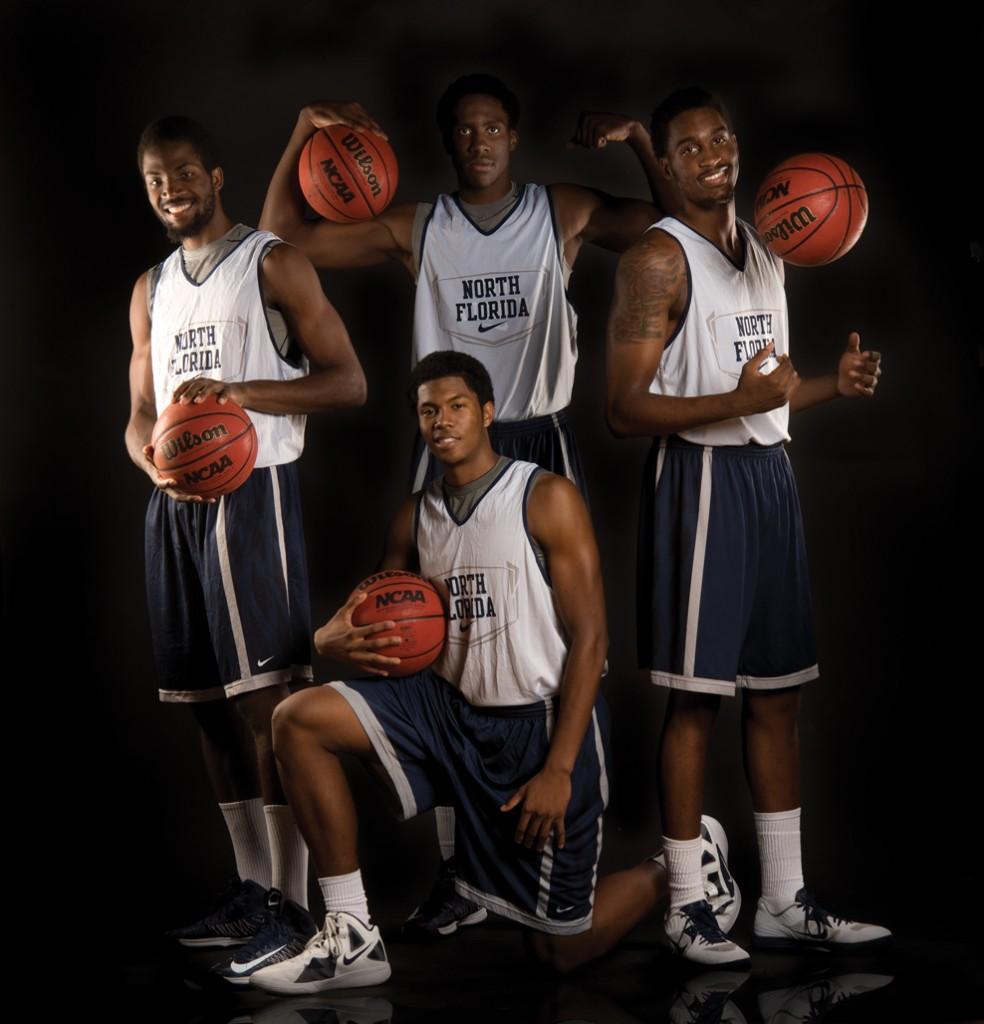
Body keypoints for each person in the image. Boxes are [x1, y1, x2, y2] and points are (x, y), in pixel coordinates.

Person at [260, 73, 668, 936]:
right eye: (464, 130)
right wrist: (304, 131)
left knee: (557, 644)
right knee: (433, 647)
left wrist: (639, 143)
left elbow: (674, 235)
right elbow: (279, 240)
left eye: (493, 128)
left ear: (512, 138)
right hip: (447, 436)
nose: (479, 141)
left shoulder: (560, 210)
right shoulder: (421, 227)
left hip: (532, 437)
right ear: (450, 143)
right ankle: (459, 874)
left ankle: (572, 797)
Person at [247, 351, 730, 995]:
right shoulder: (413, 515)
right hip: (450, 713)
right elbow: (382, 624)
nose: (441, 421)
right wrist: (329, 639)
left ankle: (683, 865)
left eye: (455, 406)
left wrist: (559, 769)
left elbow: (592, 641)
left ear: (487, 413)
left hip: (543, 727)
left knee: (557, 953)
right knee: (296, 719)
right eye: (427, 411)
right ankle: (351, 930)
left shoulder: (545, 497)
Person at [606, 87, 890, 966]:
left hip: (770, 474)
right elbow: (622, 408)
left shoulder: (770, 245)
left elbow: (771, 392)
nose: (712, 153)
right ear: (670, 162)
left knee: (778, 696)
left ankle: (782, 899)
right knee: (696, 699)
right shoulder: (656, 261)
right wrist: (743, 400)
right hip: (700, 481)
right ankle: (689, 906)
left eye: (721, 137)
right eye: (688, 147)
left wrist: (828, 389)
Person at [125, 116, 367, 983]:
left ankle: (298, 908)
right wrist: (152, 465)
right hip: (177, 506)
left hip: (252, 494)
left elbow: (349, 380)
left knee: (270, 701)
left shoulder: (271, 261)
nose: (170, 187)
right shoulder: (150, 286)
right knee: (206, 706)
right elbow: (139, 415)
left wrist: (239, 393)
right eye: (155, 178)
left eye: (182, 172)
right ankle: (253, 889)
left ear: (215, 175)